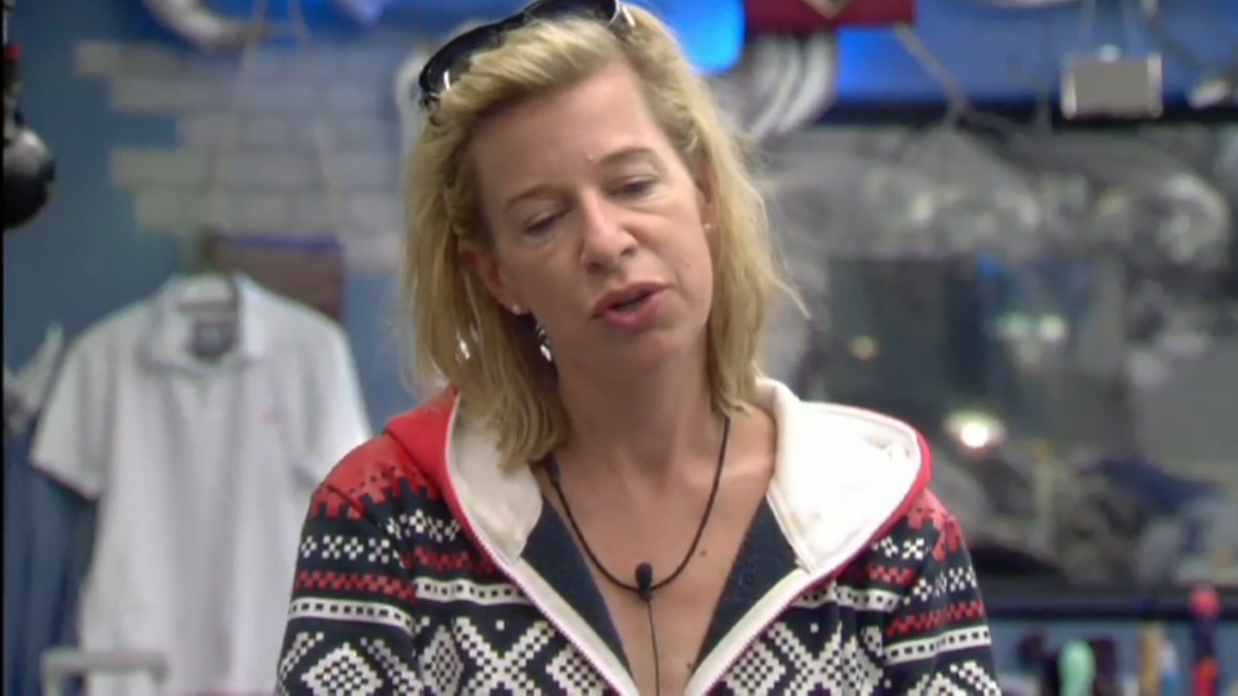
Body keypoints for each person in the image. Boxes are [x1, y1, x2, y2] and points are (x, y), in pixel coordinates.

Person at [275, 1, 1000, 693]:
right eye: (543, 221)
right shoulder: (387, 521)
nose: (604, 241)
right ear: (497, 276)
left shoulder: (884, 529)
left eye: (633, 185)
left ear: (704, 195)